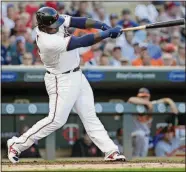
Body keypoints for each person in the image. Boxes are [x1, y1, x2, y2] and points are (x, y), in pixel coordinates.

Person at [7, 7, 125, 164]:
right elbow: (81, 42)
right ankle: (17, 144)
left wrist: (101, 25)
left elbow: (79, 21)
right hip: (60, 80)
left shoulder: (52, 20)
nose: (58, 24)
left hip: (77, 75)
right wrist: (107, 34)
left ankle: (111, 151)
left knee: (89, 115)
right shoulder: (47, 41)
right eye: (54, 23)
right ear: (43, 26)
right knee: (56, 119)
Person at [128, 88, 178, 157]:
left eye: (145, 96)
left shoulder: (152, 104)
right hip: (135, 136)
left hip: (146, 137)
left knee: (142, 158)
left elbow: (166, 100)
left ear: (149, 97)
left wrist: (172, 104)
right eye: (142, 97)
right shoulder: (134, 105)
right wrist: (147, 103)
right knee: (135, 155)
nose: (144, 98)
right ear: (138, 97)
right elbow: (131, 99)